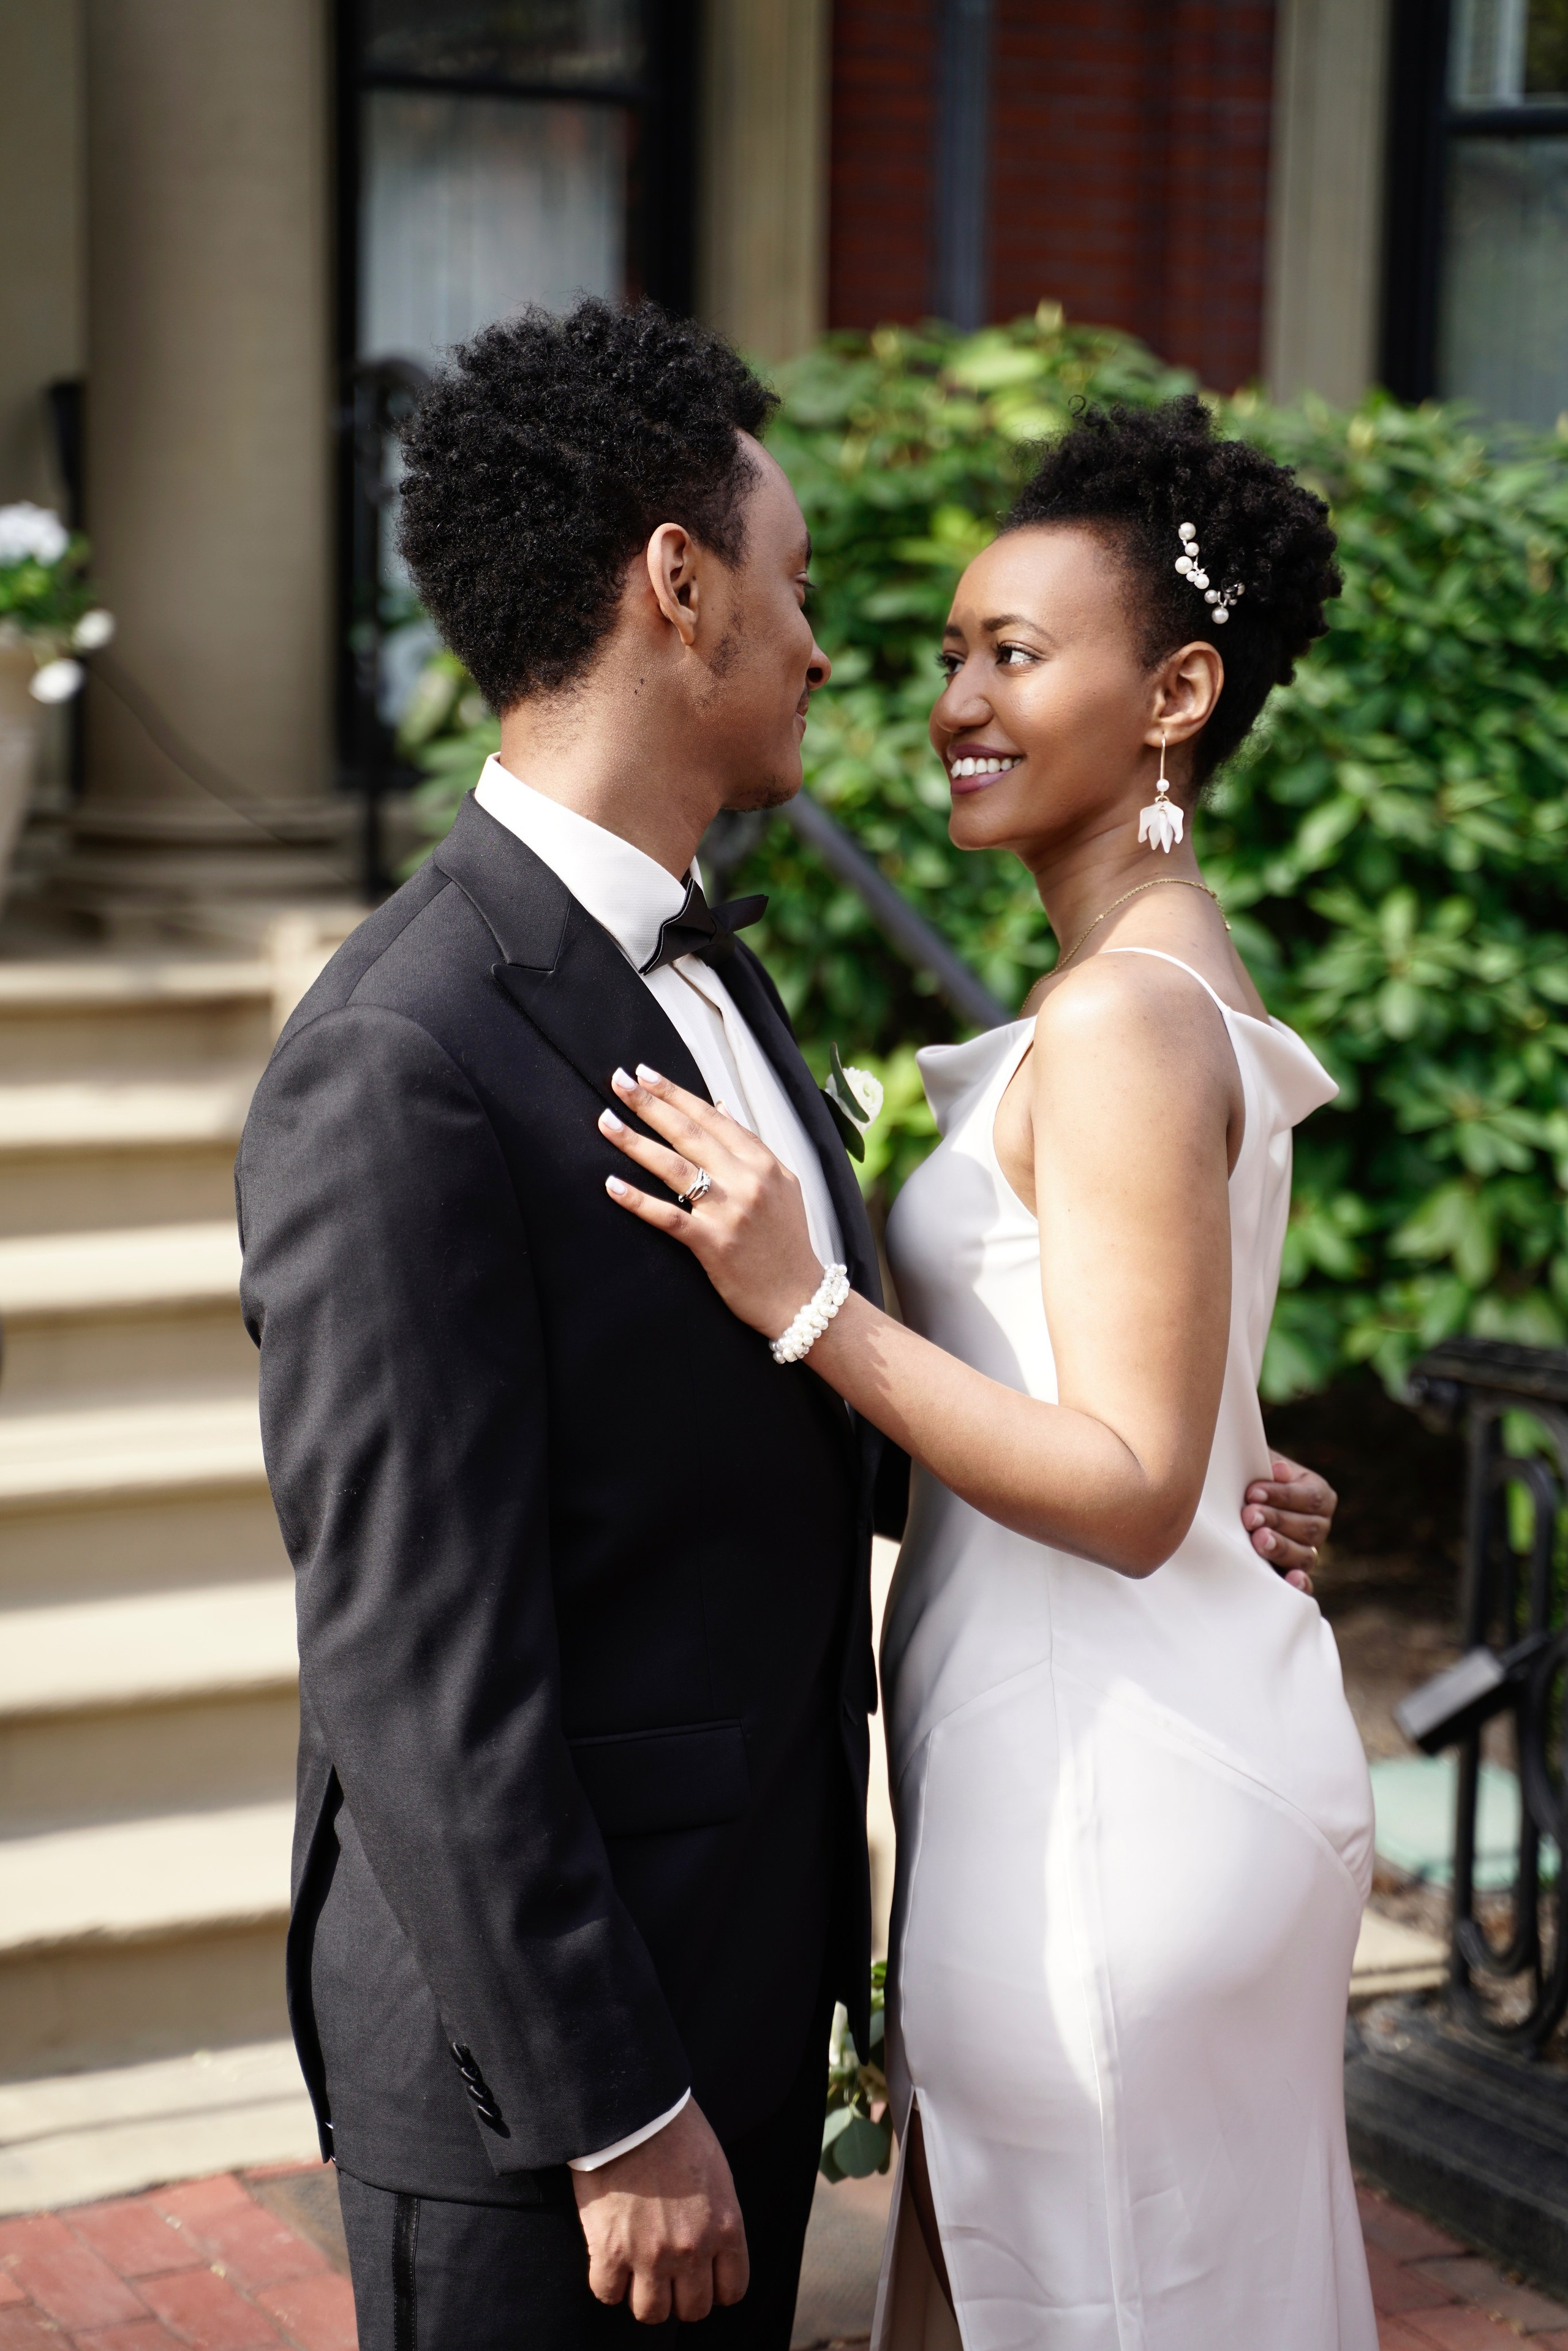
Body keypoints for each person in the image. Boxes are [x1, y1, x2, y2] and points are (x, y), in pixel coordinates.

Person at [237, 304, 1340, 2350]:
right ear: (681, 585)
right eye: (812, 592)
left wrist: (1171, 1499)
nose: (844, 659)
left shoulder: (712, 964)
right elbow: (405, 1653)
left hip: (761, 1986)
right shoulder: (400, 1052)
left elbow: (770, 1428)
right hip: (551, 2092)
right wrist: (612, 2104)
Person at [597, 394, 1378, 2350]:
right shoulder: (1185, 974)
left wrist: (808, 1303)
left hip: (1108, 1795)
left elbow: (1117, 1486)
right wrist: (1245, 1476)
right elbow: (1165, 1409)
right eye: (953, 648)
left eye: (1017, 653)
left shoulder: (1119, 1015)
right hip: (1113, 1746)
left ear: (1179, 691)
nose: (954, 697)